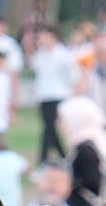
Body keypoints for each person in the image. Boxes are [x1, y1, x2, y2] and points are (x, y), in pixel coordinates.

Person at [58, 96, 106, 206]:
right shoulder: (96, 139)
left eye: (62, 120)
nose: (59, 125)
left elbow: (91, 183)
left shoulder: (87, 149)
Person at [31, 26, 78, 164]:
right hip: (44, 96)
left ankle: (43, 160)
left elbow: (73, 76)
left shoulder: (64, 54)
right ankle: (64, 156)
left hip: (59, 96)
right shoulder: (39, 55)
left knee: (49, 129)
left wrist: (71, 95)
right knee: (50, 129)